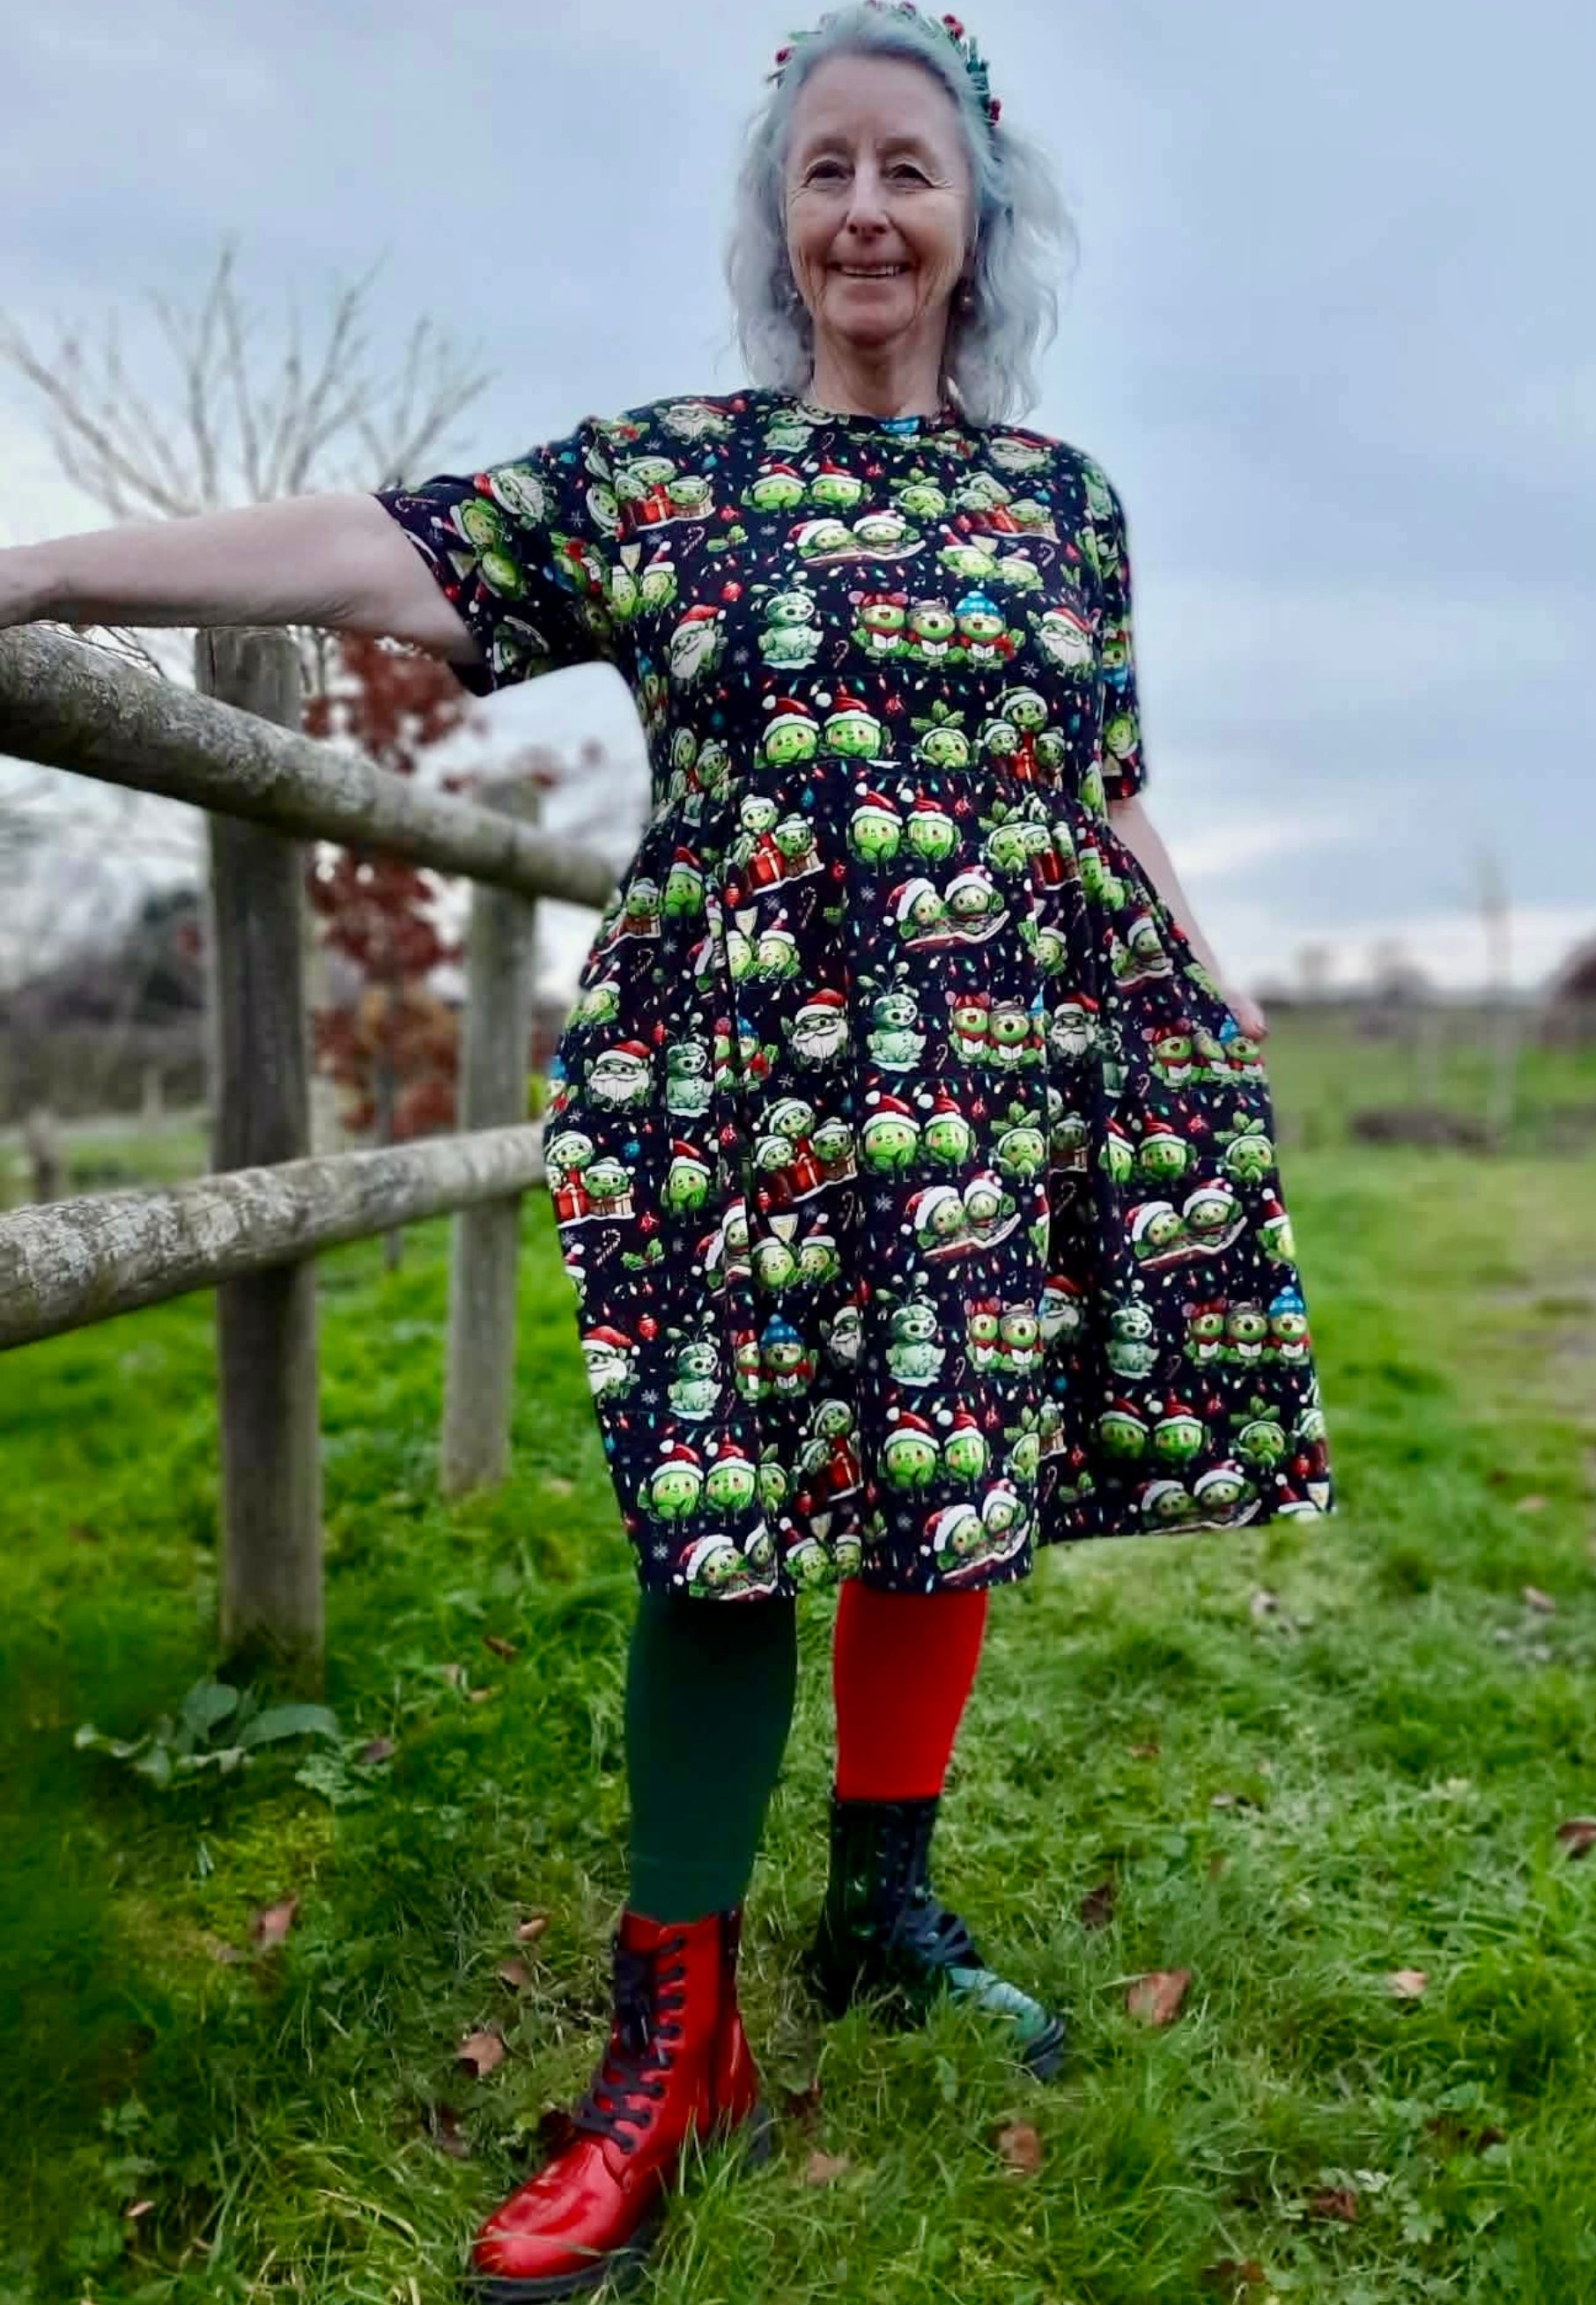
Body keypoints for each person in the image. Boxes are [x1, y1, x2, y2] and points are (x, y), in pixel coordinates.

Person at [0, 5, 1335, 2293]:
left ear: (976, 217)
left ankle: (882, 1914)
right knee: (721, 1523)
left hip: (988, 1068)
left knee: (950, 1472)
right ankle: (672, 2023)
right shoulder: (678, 479)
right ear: (775, 220)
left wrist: (1199, 992)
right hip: (731, 1085)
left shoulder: (1063, 512)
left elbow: (1099, 784)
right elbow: (383, 546)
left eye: (905, 170)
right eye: (821, 172)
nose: (862, 213)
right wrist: (37, 575)